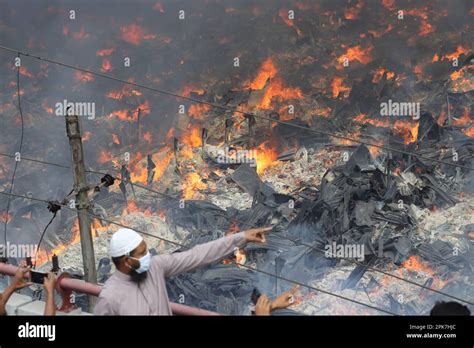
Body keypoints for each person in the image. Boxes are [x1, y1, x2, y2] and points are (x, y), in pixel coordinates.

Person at [94, 226, 272, 315]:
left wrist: (240, 238)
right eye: (142, 254)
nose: (148, 255)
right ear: (127, 261)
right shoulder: (110, 298)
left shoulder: (155, 267)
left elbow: (197, 255)